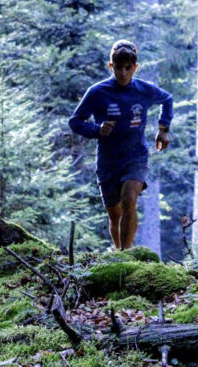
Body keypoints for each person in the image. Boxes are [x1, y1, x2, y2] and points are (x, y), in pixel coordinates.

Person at [69, 40, 173, 250]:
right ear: (111, 67)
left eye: (128, 68)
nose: (123, 73)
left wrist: (163, 129)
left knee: (129, 200)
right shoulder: (98, 92)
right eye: (119, 68)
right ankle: (118, 250)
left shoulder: (144, 90)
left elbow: (167, 99)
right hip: (108, 161)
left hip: (136, 156)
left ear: (135, 68)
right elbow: (75, 121)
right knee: (114, 213)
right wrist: (97, 129)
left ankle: (127, 254)